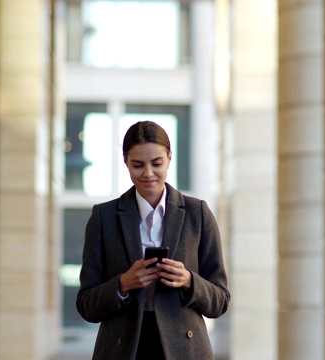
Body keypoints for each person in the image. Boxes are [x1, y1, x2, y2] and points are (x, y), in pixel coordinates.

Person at [76, 121, 230, 359]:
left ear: (169, 157)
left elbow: (220, 300)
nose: (148, 173)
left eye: (157, 163)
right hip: (123, 348)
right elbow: (86, 303)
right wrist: (123, 284)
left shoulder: (196, 213)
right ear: (125, 162)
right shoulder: (103, 217)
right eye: (138, 165)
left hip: (184, 349)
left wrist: (189, 281)